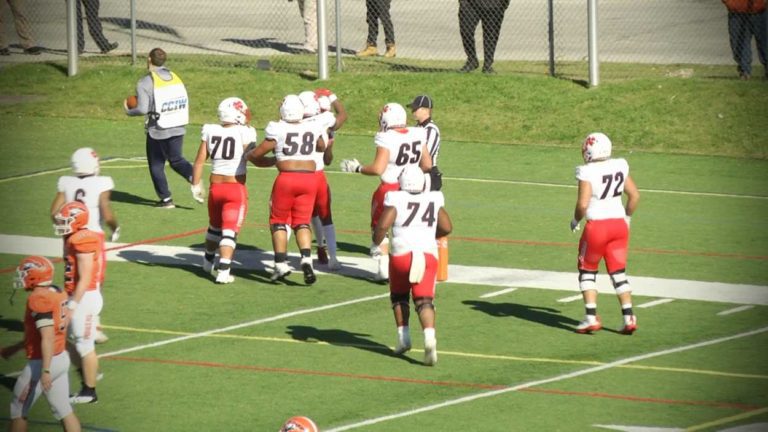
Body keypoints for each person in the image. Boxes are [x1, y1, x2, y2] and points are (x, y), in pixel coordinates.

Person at [339, 102, 432, 281]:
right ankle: (411, 265)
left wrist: (357, 168)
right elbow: (427, 164)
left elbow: (378, 169)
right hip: (413, 189)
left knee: (380, 226)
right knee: (406, 227)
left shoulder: (387, 137)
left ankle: (383, 265)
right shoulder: (418, 133)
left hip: (390, 188)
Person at [373, 165, 453, 366]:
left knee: (399, 297)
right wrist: (427, 235)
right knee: (424, 300)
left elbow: (383, 225)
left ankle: (403, 337)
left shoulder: (396, 198)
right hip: (427, 254)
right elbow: (447, 227)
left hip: (402, 254)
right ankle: (429, 338)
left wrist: (377, 240)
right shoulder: (433, 199)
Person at [246, 95, 326, 285]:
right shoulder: (312, 126)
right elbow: (322, 146)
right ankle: (306, 259)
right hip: (309, 179)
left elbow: (257, 154)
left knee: (279, 221)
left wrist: (265, 159)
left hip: (287, 179)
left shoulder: (278, 128)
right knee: (302, 222)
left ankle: (281, 262)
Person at [569, 132, 640, 335]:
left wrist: (575, 220)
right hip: (619, 225)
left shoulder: (587, 171)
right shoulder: (619, 165)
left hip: (598, 227)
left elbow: (583, 204)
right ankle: (629, 317)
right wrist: (627, 218)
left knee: (587, 270)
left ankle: (591, 317)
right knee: (618, 273)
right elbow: (634, 196)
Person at [50, 147, 119, 345]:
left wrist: (67, 228)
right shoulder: (102, 182)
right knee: (94, 281)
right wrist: (115, 228)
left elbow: (54, 212)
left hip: (70, 235)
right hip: (92, 237)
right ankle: (91, 324)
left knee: (72, 277)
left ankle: (71, 321)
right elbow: (106, 212)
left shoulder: (66, 182)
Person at [6, 256, 82, 432]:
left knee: (18, 411)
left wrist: (45, 370)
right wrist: (16, 348)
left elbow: (46, 336)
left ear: (34, 275)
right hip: (61, 356)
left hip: (43, 362)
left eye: (25, 272)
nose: (22, 276)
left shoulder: (38, 299)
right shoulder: (56, 290)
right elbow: (41, 335)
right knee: (65, 410)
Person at [191, 97, 257, 284]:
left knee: (214, 227)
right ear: (236, 114)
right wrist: (274, 160)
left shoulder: (210, 130)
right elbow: (253, 157)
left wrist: (195, 184)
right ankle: (224, 270)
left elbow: (199, 161)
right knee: (229, 231)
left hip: (215, 188)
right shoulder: (245, 132)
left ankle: (207, 261)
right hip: (234, 188)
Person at [125, 47, 194, 208]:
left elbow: (142, 108)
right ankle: (193, 177)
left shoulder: (145, 82)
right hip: (177, 124)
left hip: (158, 129)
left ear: (149, 59)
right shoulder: (175, 77)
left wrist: (129, 111)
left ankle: (166, 199)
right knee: (176, 160)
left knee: (156, 165)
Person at [53, 201, 104, 403]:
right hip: (76, 294)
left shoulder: (83, 240)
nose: (62, 224)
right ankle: (87, 372)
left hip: (85, 297)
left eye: (67, 220)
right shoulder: (71, 237)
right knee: (63, 340)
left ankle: (89, 392)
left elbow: (85, 276)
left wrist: (73, 304)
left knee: (85, 344)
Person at [299, 88, 347, 270]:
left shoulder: (287, 123)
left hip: (296, 174)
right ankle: (331, 256)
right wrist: (332, 95)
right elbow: (342, 115)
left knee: (293, 218)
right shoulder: (324, 120)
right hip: (317, 175)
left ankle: (283, 259)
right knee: (326, 216)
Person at [458, 0, 511, 74]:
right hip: (470, 4)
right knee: (466, 30)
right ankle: (472, 60)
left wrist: (504, 3)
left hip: (494, 4)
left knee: (491, 34)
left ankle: (488, 65)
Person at [722, 0, 767, 80]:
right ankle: (744, 71)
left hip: (758, 11)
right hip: (737, 12)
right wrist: (729, 3)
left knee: (764, 44)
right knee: (738, 44)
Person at [410, 95, 442, 191]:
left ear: (426, 110)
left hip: (428, 176)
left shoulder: (431, 130)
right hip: (417, 173)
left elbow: (425, 159)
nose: (413, 112)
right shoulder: (416, 128)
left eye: (416, 109)